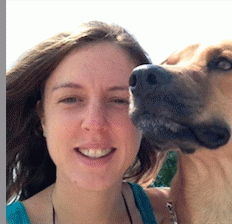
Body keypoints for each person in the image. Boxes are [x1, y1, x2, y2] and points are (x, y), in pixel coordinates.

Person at [6, 21, 174, 223]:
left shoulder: (177, 212)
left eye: (119, 100)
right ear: (42, 117)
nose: (95, 123)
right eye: (71, 99)